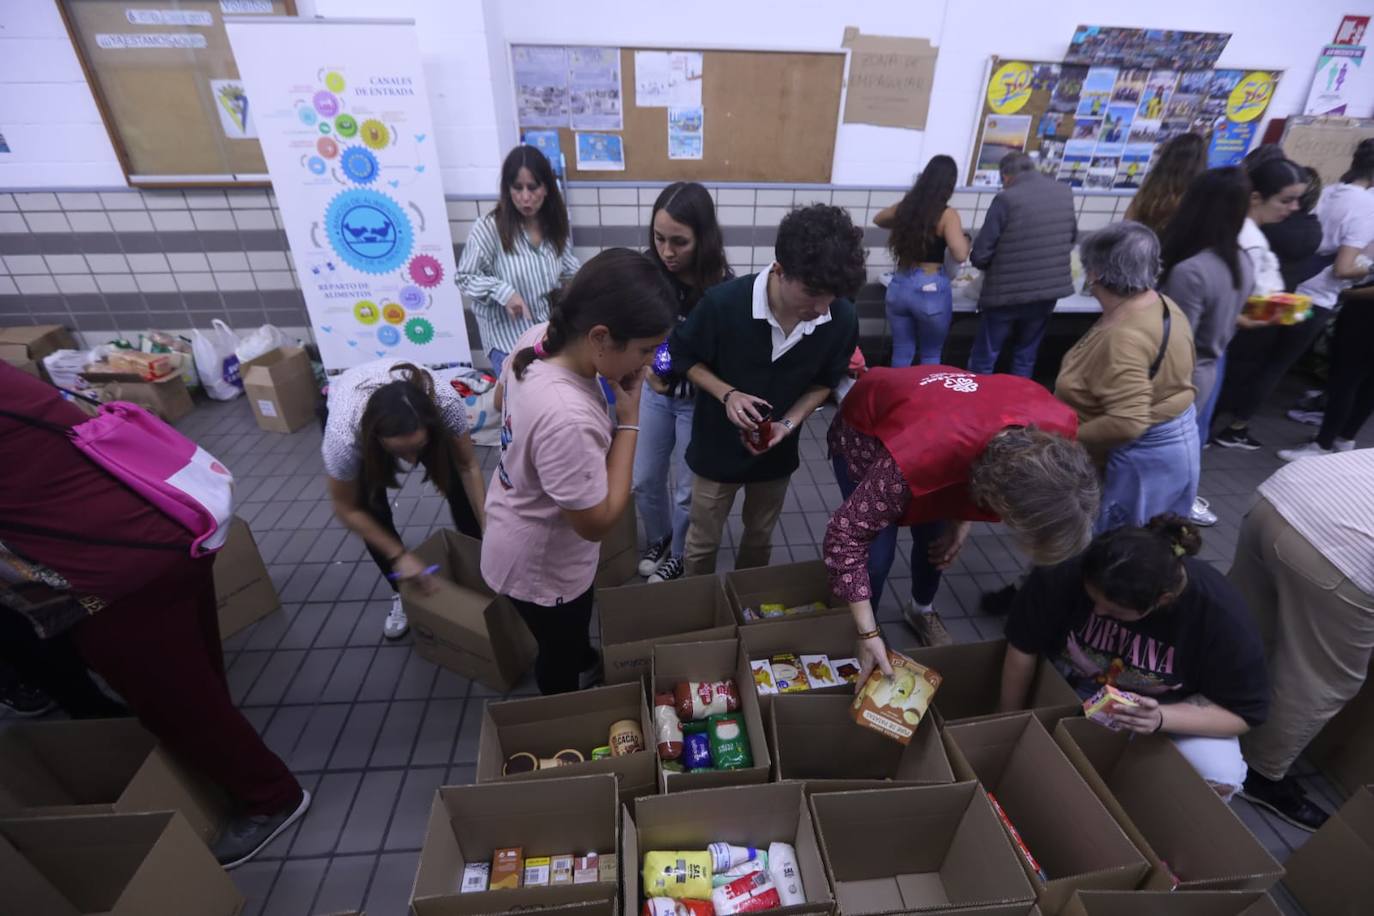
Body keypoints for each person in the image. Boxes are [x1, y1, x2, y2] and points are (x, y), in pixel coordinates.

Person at [0, 364, 310, 868]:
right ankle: (222, 732)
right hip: (160, 523)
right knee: (195, 674)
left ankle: (271, 798)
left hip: (109, 570)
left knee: (171, 702)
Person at [482, 248, 677, 694]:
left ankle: (581, 654)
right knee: (558, 654)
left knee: (565, 633)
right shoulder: (568, 415)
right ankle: (564, 706)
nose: (648, 364)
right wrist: (629, 419)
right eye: (646, 350)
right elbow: (597, 523)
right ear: (601, 336)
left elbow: (499, 402)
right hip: (542, 564)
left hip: (511, 525)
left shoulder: (536, 338)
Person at [824, 364, 1098, 656]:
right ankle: (866, 629)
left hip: (952, 421)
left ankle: (920, 609)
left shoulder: (1058, 432)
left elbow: (998, 465)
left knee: (938, 541)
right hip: (875, 422)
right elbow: (845, 535)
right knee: (876, 556)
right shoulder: (918, 454)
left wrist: (961, 521)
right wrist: (868, 633)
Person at [999, 515, 1269, 799]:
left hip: (1169, 707)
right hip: (1075, 685)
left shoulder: (1220, 618)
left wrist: (1161, 717)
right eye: (1092, 600)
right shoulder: (1067, 569)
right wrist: (1007, 720)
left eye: (1115, 612)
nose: (1099, 613)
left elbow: (1245, 713)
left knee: (1219, 774)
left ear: (1163, 600)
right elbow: (1022, 647)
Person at [670, 204, 862, 576]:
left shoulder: (840, 318)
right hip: (716, 448)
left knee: (759, 537)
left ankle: (747, 607)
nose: (822, 308)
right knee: (702, 542)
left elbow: (826, 381)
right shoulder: (723, 304)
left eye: (832, 296)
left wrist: (787, 425)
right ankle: (694, 610)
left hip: (777, 450)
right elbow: (678, 355)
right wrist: (727, 394)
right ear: (779, 270)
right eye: (812, 293)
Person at [1231, 450, 1374, 829]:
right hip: (1344, 550)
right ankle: (1260, 773)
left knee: (1247, 625)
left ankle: (1198, 706)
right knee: (1321, 676)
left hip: (1284, 494)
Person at [323, 361, 486, 640]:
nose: (412, 461)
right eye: (401, 451)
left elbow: (468, 466)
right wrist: (399, 556)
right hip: (356, 414)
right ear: (378, 439)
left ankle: (481, 567)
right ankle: (402, 591)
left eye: (419, 449)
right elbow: (346, 507)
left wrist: (488, 525)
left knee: (458, 490)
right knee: (373, 510)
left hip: (419, 419)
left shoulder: (445, 402)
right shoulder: (343, 436)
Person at [1055, 221, 1198, 532]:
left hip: (1138, 463)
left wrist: (1063, 437)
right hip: (1167, 445)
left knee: (1112, 545)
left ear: (1093, 273)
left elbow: (1127, 422)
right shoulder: (1161, 305)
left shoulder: (1124, 338)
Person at [633, 182, 733, 584]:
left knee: (687, 492)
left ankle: (678, 554)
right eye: (659, 238)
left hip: (697, 401)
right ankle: (659, 538)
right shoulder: (648, 271)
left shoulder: (723, 287)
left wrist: (665, 368)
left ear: (703, 238)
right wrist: (651, 369)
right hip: (655, 394)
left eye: (680, 242)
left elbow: (714, 354)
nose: (667, 252)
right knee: (644, 479)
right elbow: (651, 336)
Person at [1159, 167, 1256, 526]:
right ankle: (1175, 510)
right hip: (1209, 370)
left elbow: (1173, 343)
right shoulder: (1241, 260)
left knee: (1161, 455)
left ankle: (1165, 516)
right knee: (1185, 447)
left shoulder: (1191, 271)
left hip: (1179, 378)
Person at [1279, 146, 1374, 461]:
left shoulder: (1332, 193)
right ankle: (1342, 439)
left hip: (1316, 292)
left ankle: (1323, 444)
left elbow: (1343, 268)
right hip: (1328, 298)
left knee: (1346, 376)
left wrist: (1353, 287)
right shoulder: (1366, 205)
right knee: (1363, 381)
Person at [1211, 158, 1309, 451]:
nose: (1294, 208)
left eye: (1298, 200)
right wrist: (1249, 318)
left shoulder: (1230, 227)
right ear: (1256, 197)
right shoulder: (1249, 241)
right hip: (1213, 345)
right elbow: (1227, 304)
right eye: (1286, 200)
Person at [456, 145, 579, 377]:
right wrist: (503, 292)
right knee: (522, 398)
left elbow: (569, 270)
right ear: (507, 189)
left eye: (532, 187)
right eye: (517, 188)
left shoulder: (554, 228)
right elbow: (464, 277)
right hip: (506, 340)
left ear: (547, 188)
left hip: (545, 333)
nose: (525, 197)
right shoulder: (489, 227)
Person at [968, 151, 1077, 378]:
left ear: (1006, 176)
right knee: (1025, 354)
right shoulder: (1064, 193)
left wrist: (985, 264)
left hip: (1006, 293)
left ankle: (976, 404)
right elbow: (1071, 237)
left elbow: (981, 253)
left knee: (986, 356)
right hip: (1046, 293)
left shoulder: (1007, 198)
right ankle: (1018, 408)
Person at [873, 155, 971, 366]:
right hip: (930, 288)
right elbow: (960, 253)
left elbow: (878, 219)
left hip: (900, 285)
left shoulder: (907, 207)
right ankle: (925, 398)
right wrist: (964, 240)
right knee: (930, 354)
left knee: (902, 350)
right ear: (949, 184)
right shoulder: (947, 215)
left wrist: (907, 219)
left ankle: (896, 396)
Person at [1124, 133, 1207, 239]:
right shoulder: (1202, 192)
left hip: (1142, 246)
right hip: (1177, 251)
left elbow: (1128, 222)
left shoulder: (1153, 183)